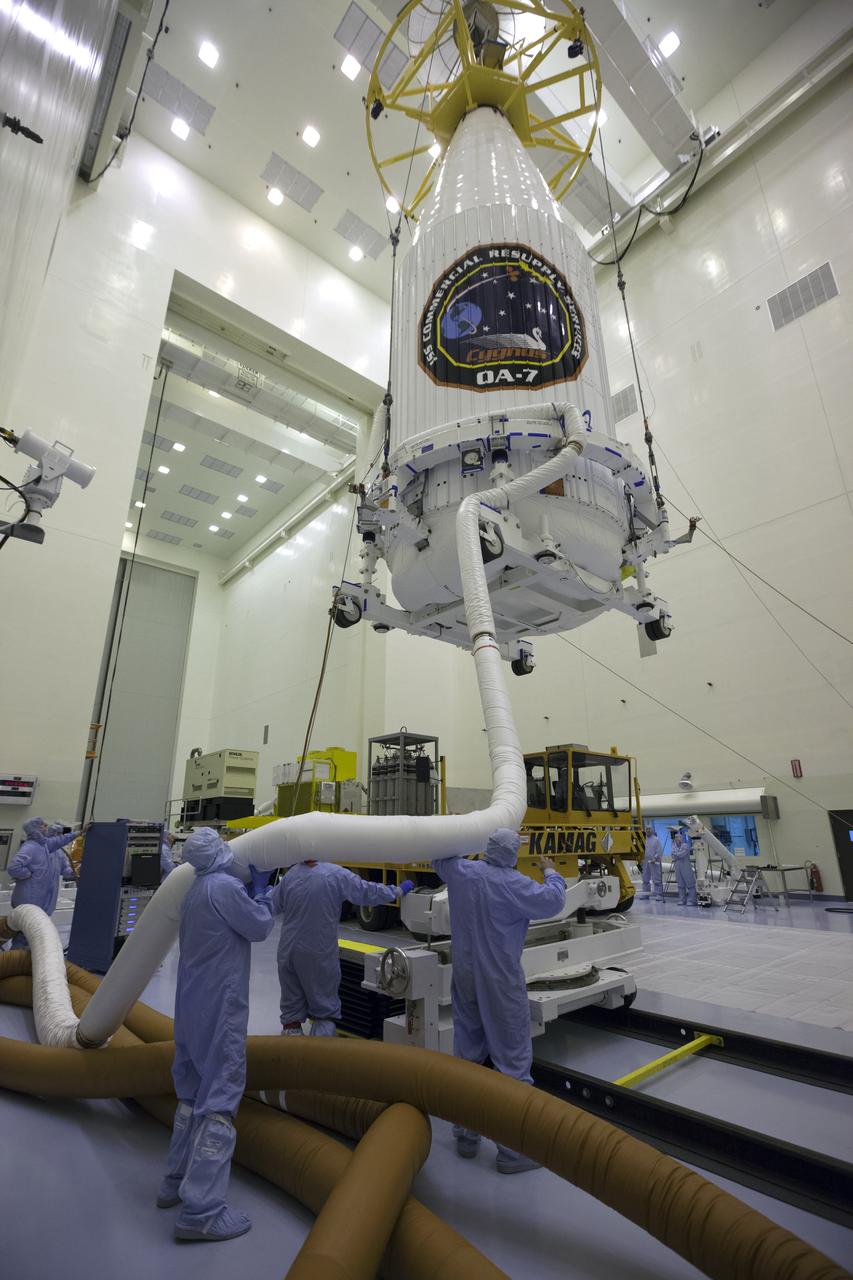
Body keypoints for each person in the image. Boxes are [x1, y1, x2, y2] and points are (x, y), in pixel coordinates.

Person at [157, 827, 273, 1243]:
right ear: (218, 852)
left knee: (190, 1094)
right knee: (220, 1097)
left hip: (190, 1007)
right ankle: (201, 1210)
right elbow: (259, 927)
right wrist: (262, 893)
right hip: (219, 1009)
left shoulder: (195, 891)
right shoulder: (223, 888)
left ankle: (174, 1180)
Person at [433, 828, 566, 1174]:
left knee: (468, 1054)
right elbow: (553, 901)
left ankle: (466, 1133)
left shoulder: (463, 873)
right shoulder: (515, 884)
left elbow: (439, 857)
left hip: (465, 976)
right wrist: (551, 870)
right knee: (511, 1059)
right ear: (512, 854)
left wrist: (458, 831)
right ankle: (513, 1148)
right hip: (500, 981)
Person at [270, 862, 414, 1036]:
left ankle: (291, 1058)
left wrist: (258, 892)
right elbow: (367, 892)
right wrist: (397, 891)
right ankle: (321, 1059)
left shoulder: (292, 874)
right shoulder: (336, 874)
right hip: (318, 952)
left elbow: (271, 904)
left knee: (290, 1014)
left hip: (288, 952)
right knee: (323, 1012)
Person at [7, 818, 77, 948]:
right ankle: (14, 964)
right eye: (44, 826)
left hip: (45, 902)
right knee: (24, 936)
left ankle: (25, 964)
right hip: (29, 900)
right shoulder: (32, 847)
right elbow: (14, 867)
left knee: (34, 938)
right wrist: (27, 874)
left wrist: (74, 873)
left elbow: (64, 870)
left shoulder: (58, 853)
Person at [670, 826, 698, 906]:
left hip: (685, 866)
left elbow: (681, 855)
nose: (676, 839)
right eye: (675, 838)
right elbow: (673, 855)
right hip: (677, 866)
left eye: (678, 837)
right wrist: (676, 854)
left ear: (681, 838)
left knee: (690, 883)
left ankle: (692, 900)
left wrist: (676, 854)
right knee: (680, 884)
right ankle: (682, 899)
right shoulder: (673, 846)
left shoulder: (686, 845)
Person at [639, 826, 664, 901]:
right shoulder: (643, 839)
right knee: (645, 878)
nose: (647, 830)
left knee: (656, 878)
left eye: (649, 829)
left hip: (654, 861)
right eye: (646, 829)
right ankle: (646, 894)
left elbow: (659, 850)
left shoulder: (656, 840)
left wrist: (655, 858)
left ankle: (658, 894)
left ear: (652, 830)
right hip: (645, 861)